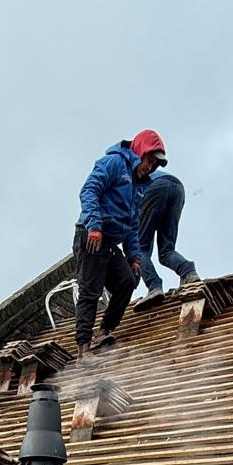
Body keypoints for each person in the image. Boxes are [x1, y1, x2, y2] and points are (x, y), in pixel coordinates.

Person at [73, 130, 167, 356]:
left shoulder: (140, 184)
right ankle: (83, 350)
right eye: (149, 160)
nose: (150, 167)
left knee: (127, 281)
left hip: (111, 243)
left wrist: (134, 256)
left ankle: (103, 331)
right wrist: (94, 226)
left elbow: (133, 223)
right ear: (140, 151)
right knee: (90, 290)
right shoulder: (114, 162)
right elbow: (89, 191)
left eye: (154, 165)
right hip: (92, 234)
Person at [135, 167, 199, 310]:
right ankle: (188, 272)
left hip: (153, 187)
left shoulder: (118, 188)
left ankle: (154, 287)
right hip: (177, 188)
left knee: (139, 250)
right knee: (166, 251)